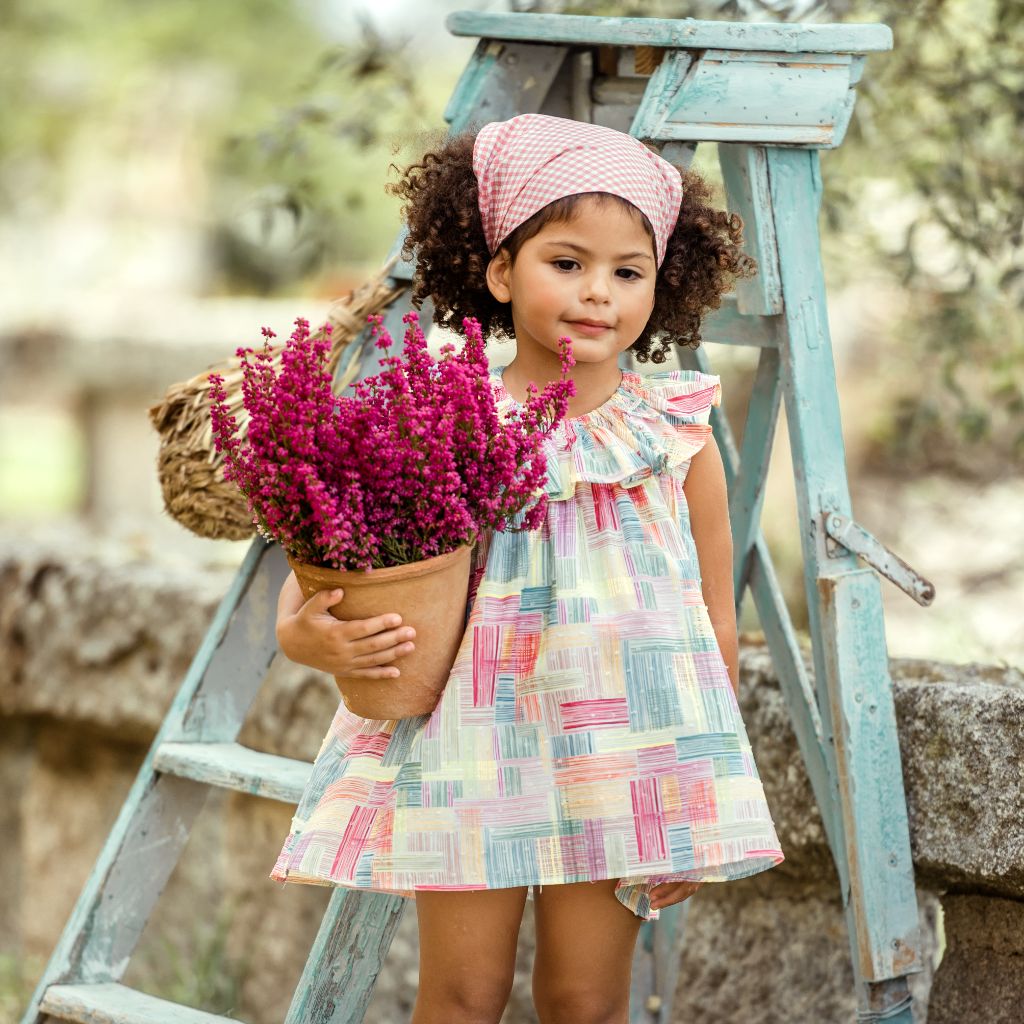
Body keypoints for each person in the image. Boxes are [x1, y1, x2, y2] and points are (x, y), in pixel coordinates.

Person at [272, 113, 785, 1024]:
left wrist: (695, 803)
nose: (597, 294)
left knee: (585, 1001)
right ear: (502, 271)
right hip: (474, 749)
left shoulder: (675, 431)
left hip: (627, 754)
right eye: (566, 262)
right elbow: (324, 584)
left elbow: (713, 617)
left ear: (659, 286)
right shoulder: (438, 419)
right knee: (462, 999)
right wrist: (308, 635)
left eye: (628, 272)